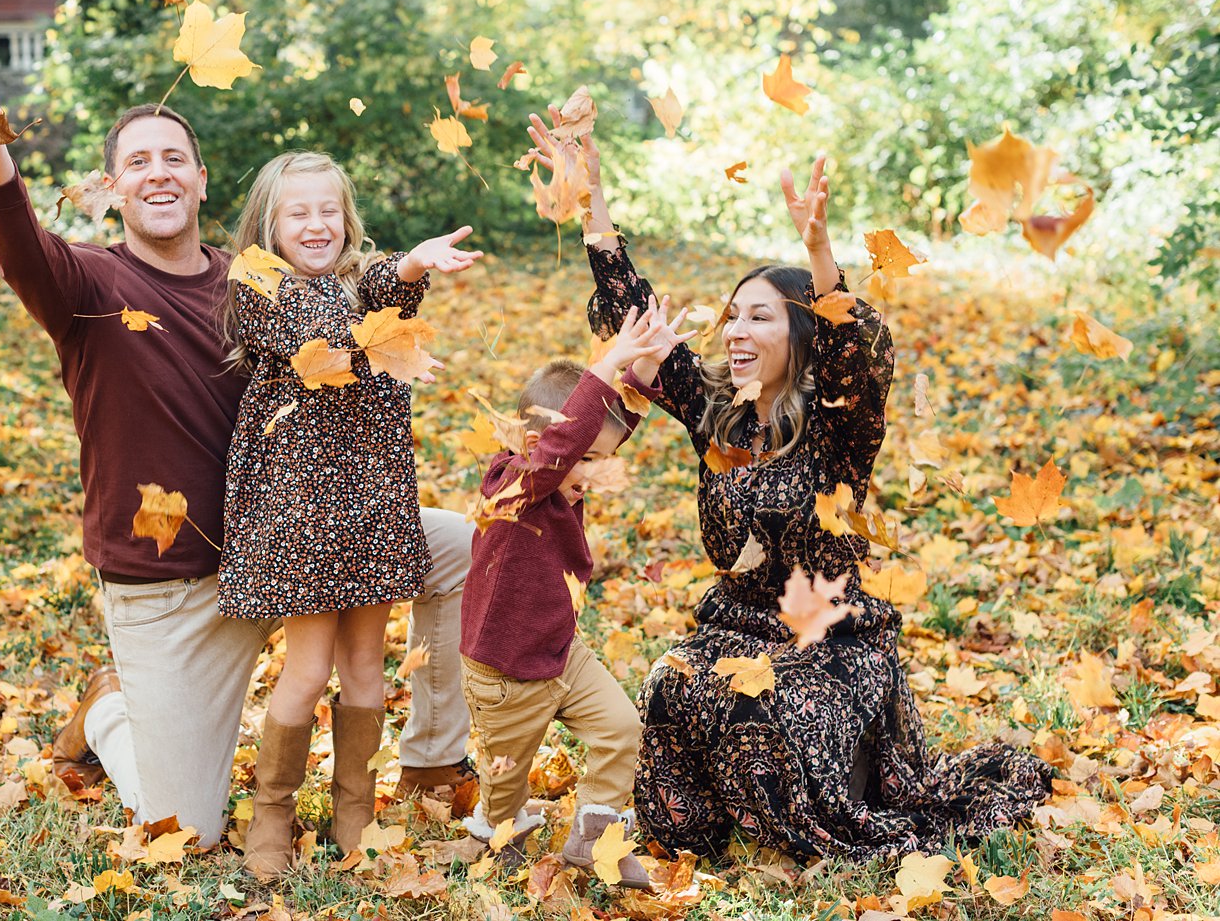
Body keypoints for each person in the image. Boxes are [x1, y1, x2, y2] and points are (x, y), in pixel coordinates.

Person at [0, 39, 476, 852]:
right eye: (136, 162)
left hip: (291, 543)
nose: (157, 172)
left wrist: (403, 276)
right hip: (172, 592)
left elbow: (354, 296)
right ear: (114, 188)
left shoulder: (259, 278)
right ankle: (110, 709)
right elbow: (20, 246)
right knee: (183, 828)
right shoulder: (89, 287)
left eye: (174, 158)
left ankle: (433, 761)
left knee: (463, 548)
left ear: (199, 180)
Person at [526, 109, 1053, 861]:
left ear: (799, 334)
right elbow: (628, 314)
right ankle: (714, 830)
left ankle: (828, 808)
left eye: (761, 317)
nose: (736, 330)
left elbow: (859, 353)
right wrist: (592, 205)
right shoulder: (719, 418)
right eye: (732, 316)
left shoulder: (842, 429)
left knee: (761, 706)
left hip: (832, 643)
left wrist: (819, 249)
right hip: (735, 630)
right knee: (669, 685)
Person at [215, 151, 483, 879]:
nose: (315, 223)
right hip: (302, 514)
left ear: (347, 217)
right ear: (268, 225)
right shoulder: (261, 283)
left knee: (367, 664)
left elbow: (370, 303)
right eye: (297, 212)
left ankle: (353, 810)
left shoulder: (364, 287)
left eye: (328, 210)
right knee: (305, 669)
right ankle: (272, 812)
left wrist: (408, 269)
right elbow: (331, 327)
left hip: (372, 505)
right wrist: (400, 273)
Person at [458, 303, 694, 889]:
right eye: (585, 460)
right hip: (505, 669)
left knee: (620, 727)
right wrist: (606, 361)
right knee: (504, 782)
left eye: (601, 461)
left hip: (561, 651)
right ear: (540, 442)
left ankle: (595, 838)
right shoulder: (515, 483)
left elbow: (607, 424)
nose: (589, 473)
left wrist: (638, 368)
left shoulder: (565, 472)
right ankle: (499, 831)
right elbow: (563, 448)